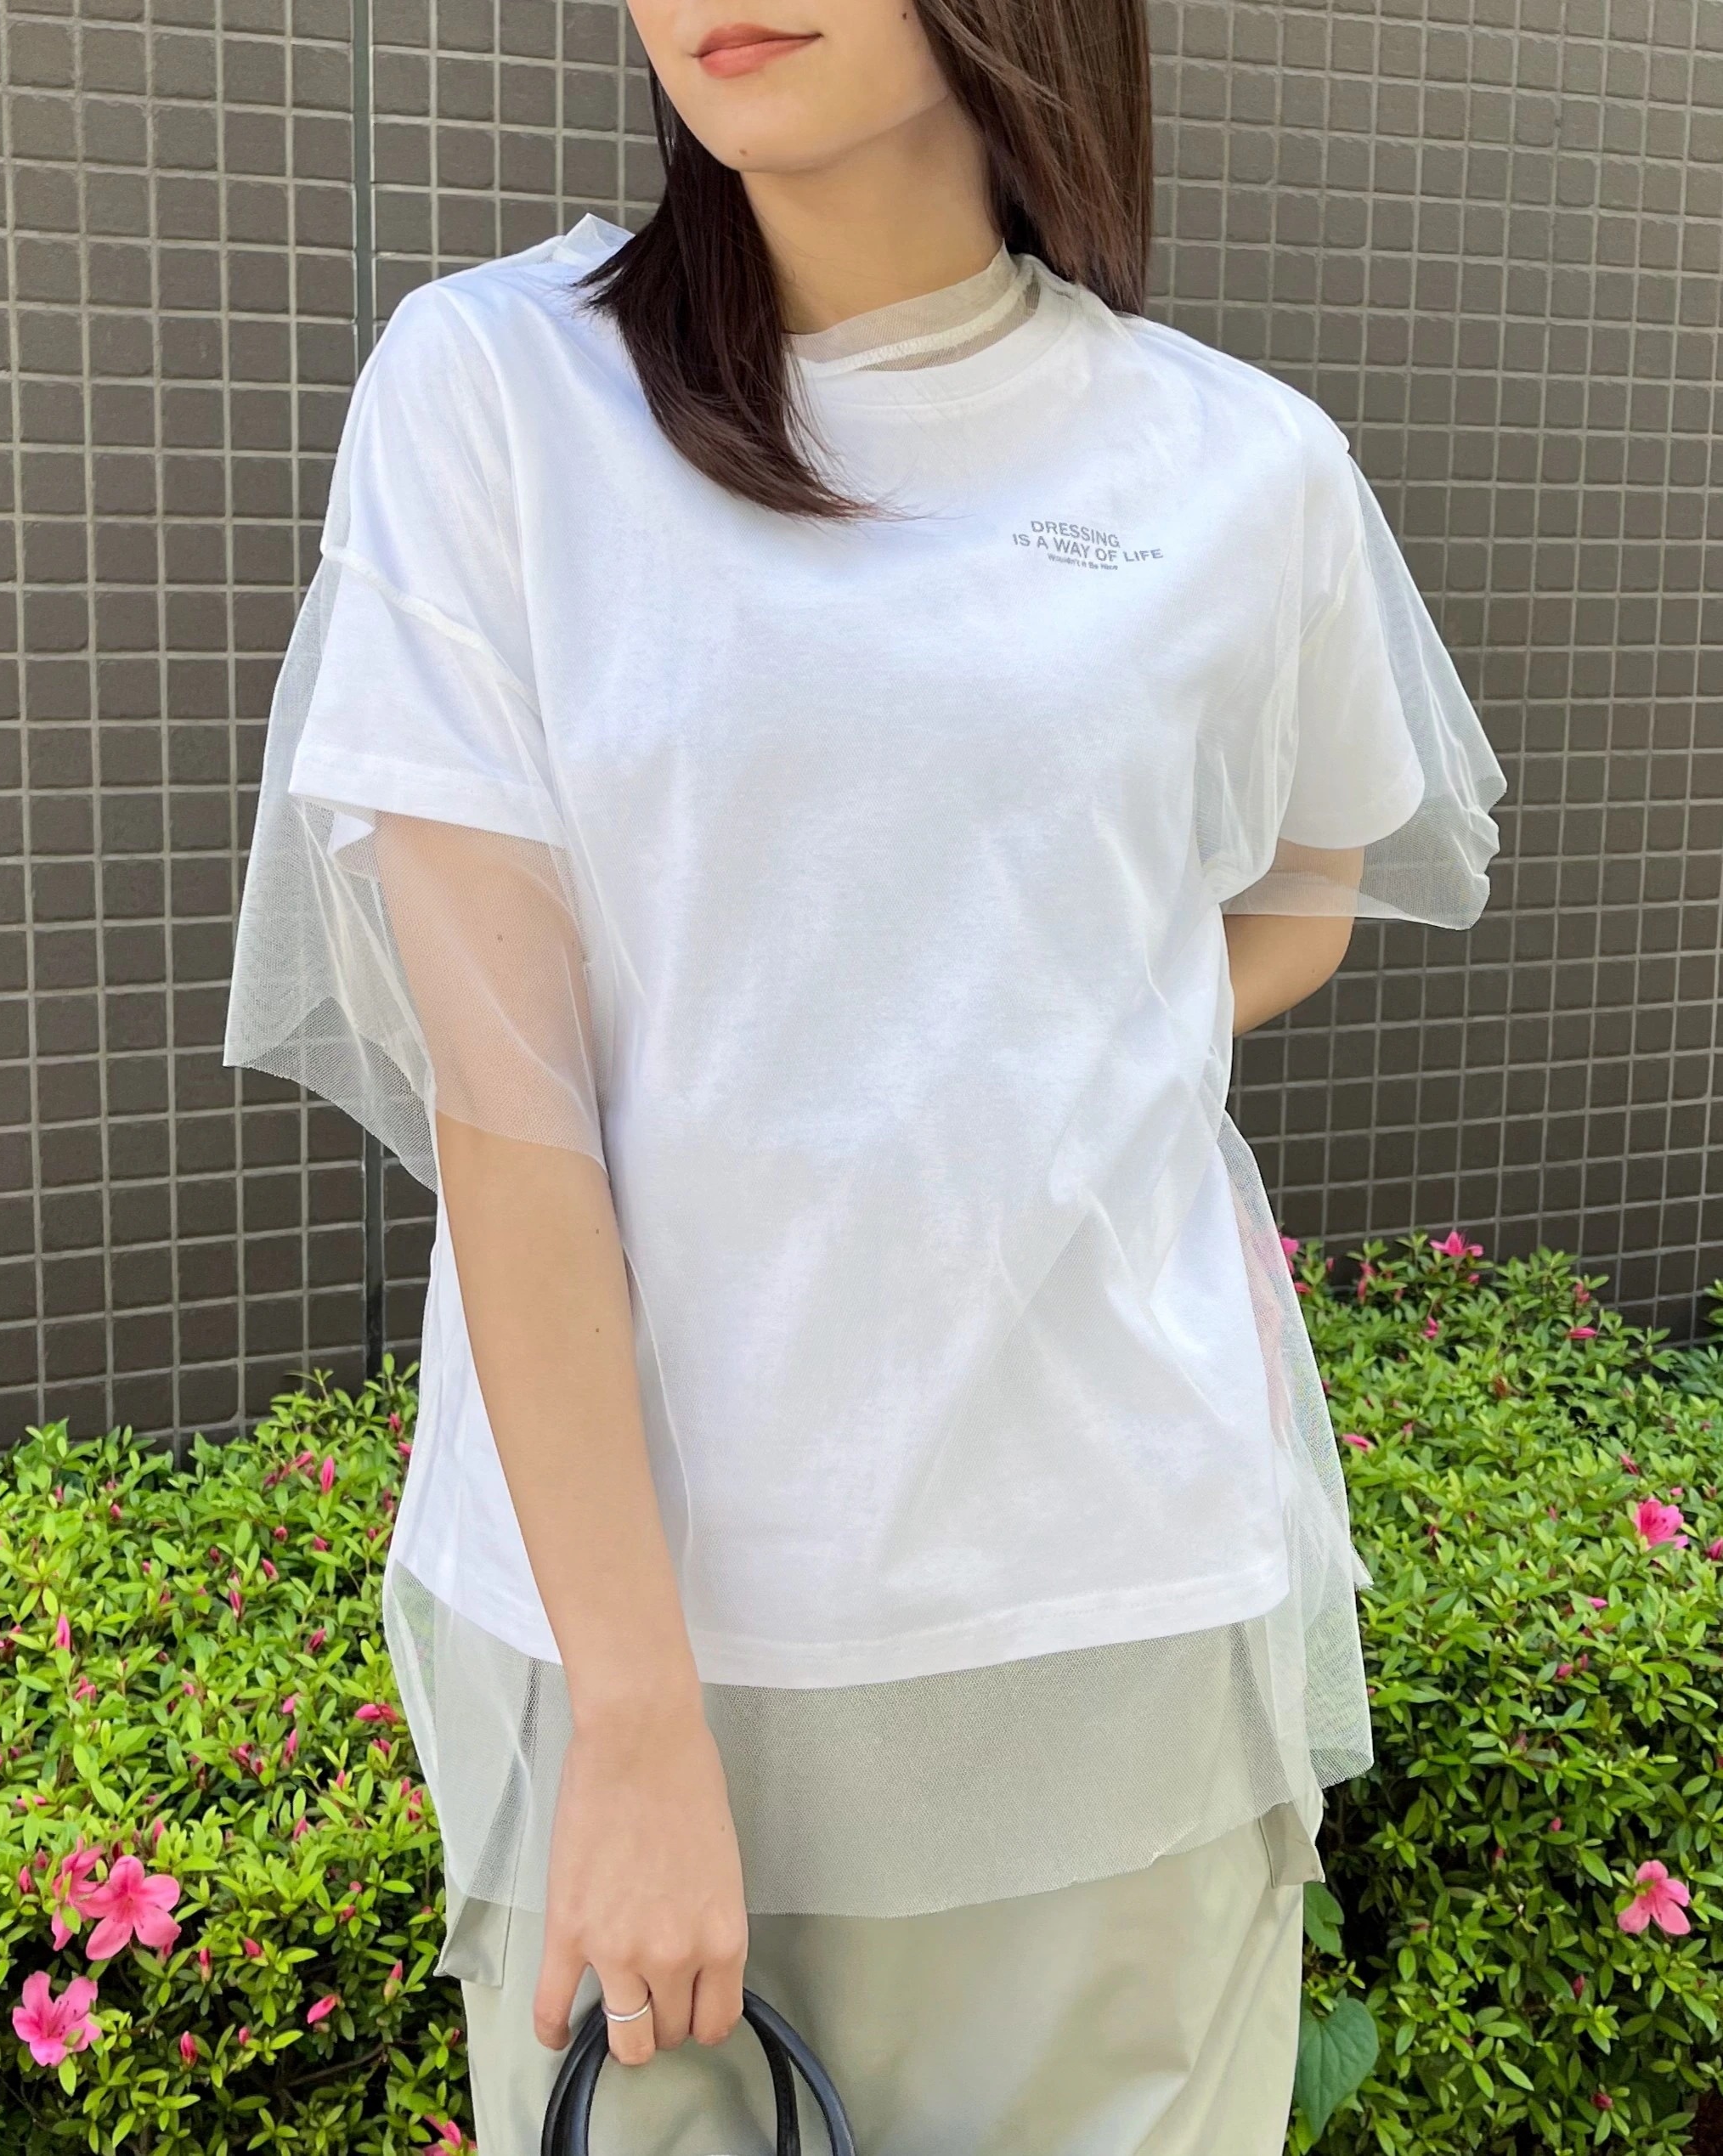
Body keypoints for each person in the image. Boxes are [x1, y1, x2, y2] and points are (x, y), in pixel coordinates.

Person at [224, 3, 1507, 2150]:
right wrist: (636, 1725)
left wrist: (1042, 1042)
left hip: (1109, 1594)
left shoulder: (1239, 463)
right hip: (643, 1654)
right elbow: (511, 1115)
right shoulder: (499, 390)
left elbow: (1305, 889)